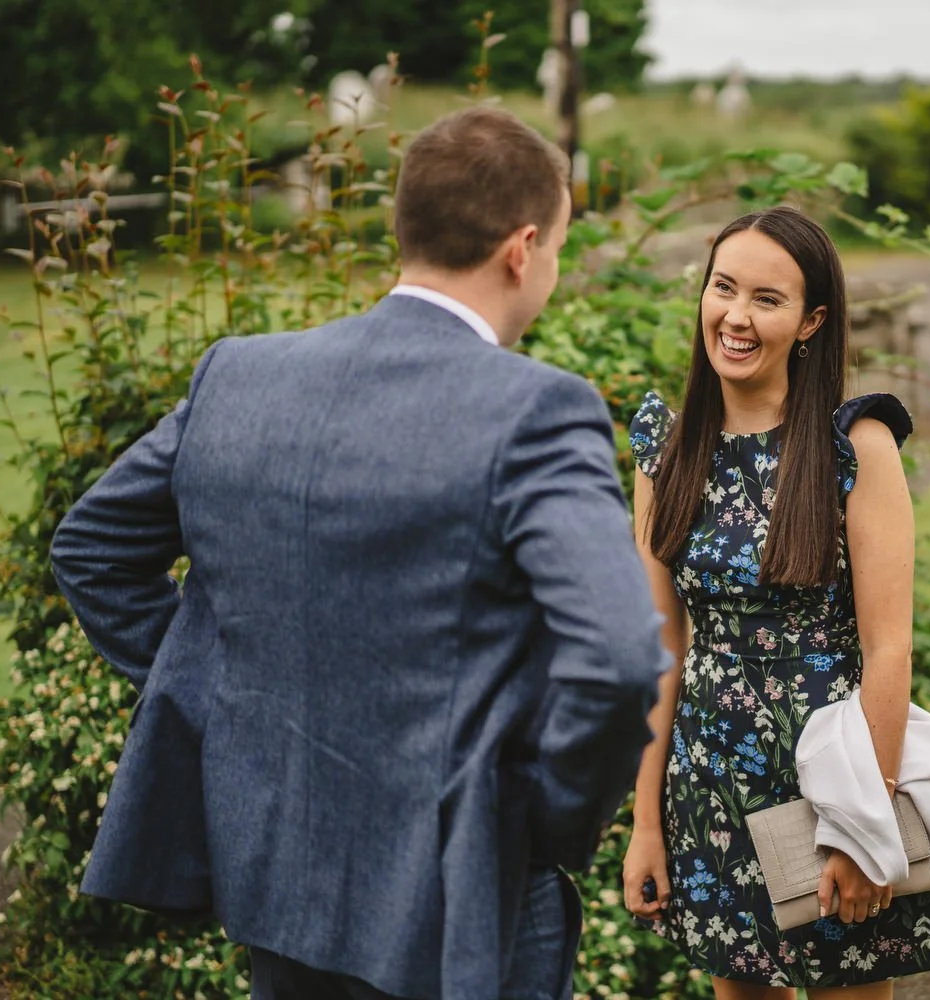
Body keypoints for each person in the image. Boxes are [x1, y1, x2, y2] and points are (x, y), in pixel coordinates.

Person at [50, 105, 668, 1000]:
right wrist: (537, 821)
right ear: (523, 248)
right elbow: (616, 661)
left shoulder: (240, 377)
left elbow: (92, 550)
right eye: (560, 249)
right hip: (457, 879)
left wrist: (236, 705)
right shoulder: (538, 411)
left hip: (276, 868)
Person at [620, 204, 930, 998]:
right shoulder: (664, 455)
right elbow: (661, 655)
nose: (735, 317)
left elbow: (889, 650)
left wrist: (865, 829)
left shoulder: (856, 446)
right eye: (722, 289)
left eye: (766, 300)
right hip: (709, 789)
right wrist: (646, 826)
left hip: (832, 785)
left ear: (811, 320)